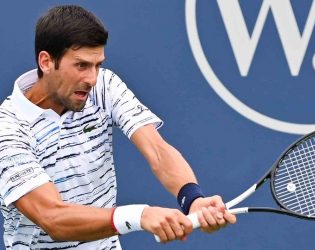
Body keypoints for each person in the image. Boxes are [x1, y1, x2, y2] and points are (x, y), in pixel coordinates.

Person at [0, 5, 236, 250]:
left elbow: (156, 149)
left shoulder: (104, 86)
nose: (91, 78)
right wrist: (139, 216)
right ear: (46, 62)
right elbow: (52, 218)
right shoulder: (8, 130)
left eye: (97, 65)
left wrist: (193, 200)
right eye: (81, 65)